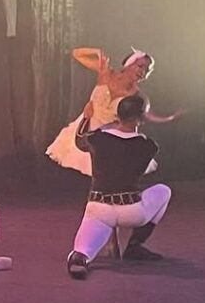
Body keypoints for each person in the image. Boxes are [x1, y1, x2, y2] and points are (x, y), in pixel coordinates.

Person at [66, 92, 172, 280]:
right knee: (163, 191)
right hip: (132, 211)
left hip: (99, 210)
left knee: (81, 252)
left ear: (118, 115)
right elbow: (132, 146)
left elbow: (79, 139)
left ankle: (81, 257)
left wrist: (87, 117)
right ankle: (135, 245)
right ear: (141, 118)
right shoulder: (149, 146)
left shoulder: (96, 139)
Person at [47, 47, 181, 176]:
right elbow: (76, 54)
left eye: (147, 71)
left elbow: (143, 118)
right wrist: (96, 51)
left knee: (105, 174)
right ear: (129, 64)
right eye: (140, 66)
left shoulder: (138, 96)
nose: (143, 72)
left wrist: (169, 118)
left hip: (109, 138)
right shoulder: (106, 73)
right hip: (84, 127)